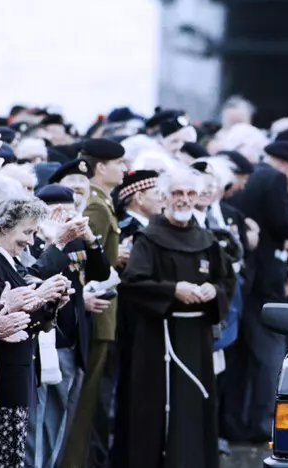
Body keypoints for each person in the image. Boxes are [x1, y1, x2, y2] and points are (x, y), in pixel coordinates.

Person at [113, 165, 232, 468]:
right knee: (158, 411)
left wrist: (212, 292)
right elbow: (132, 284)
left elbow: (226, 282)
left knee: (194, 406)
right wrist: (172, 290)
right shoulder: (148, 239)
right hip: (157, 338)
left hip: (197, 338)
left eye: (190, 193)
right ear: (164, 197)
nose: (184, 199)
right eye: (177, 193)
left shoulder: (207, 239)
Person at [221, 140, 288, 443]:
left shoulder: (253, 177)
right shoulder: (274, 179)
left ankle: (235, 422)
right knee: (269, 355)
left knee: (242, 358)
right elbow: (280, 220)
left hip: (248, 278)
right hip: (266, 279)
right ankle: (264, 421)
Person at [26, 184, 111, 468]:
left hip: (73, 340)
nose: (64, 215)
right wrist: (55, 242)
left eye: (70, 209)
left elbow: (101, 272)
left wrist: (90, 239)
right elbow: (33, 276)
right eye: (56, 209)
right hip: (47, 340)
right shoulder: (34, 240)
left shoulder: (75, 240)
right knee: (38, 423)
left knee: (61, 419)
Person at [62, 138, 126, 468]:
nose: (124, 169)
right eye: (119, 163)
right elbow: (86, 263)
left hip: (103, 311)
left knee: (89, 404)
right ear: (101, 168)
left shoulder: (103, 202)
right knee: (84, 404)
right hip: (97, 310)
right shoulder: (97, 206)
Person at [0, 197, 70, 466]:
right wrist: (37, 297)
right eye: (26, 231)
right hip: (3, 380)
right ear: (4, 227)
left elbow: (25, 317)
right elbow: (5, 317)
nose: (30, 240)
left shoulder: (10, 262)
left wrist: (48, 304)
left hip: (17, 374)